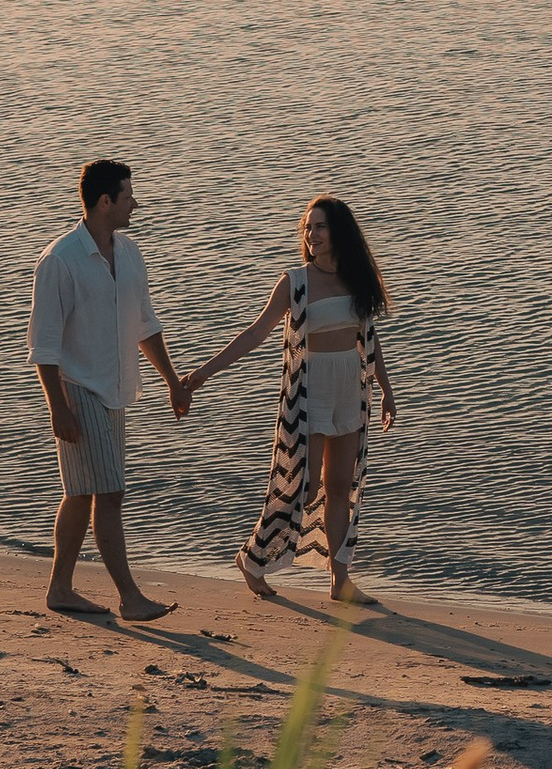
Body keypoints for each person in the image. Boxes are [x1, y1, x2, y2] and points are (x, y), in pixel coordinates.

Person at [188, 195, 397, 602]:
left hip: (351, 390)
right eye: (307, 227)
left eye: (319, 226)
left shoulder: (359, 277)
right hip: (309, 391)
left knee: (341, 486)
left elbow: (369, 340)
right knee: (303, 483)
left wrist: (386, 389)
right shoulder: (295, 282)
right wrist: (200, 375)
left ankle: (340, 580)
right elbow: (254, 335)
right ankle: (253, 558)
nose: (311, 234)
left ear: (338, 232)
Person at [26, 158, 190, 624]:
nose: (134, 204)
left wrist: (173, 382)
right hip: (80, 391)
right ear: (105, 201)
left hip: (118, 390)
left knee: (81, 493)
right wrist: (58, 407)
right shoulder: (61, 259)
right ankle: (130, 597)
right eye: (127, 196)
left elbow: (145, 325)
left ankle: (60, 588)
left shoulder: (131, 253)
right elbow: (45, 343)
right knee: (110, 494)